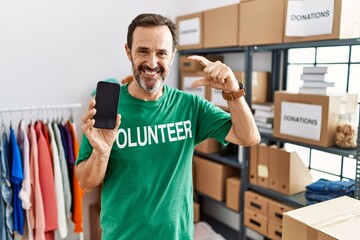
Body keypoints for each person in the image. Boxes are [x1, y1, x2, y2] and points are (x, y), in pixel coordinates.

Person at [75, 13, 260, 240]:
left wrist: (233, 91)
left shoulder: (190, 106)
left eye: (161, 53)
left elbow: (248, 137)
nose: (152, 63)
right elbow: (85, 181)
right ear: (128, 51)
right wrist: (101, 154)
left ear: (172, 56)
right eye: (143, 51)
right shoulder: (107, 108)